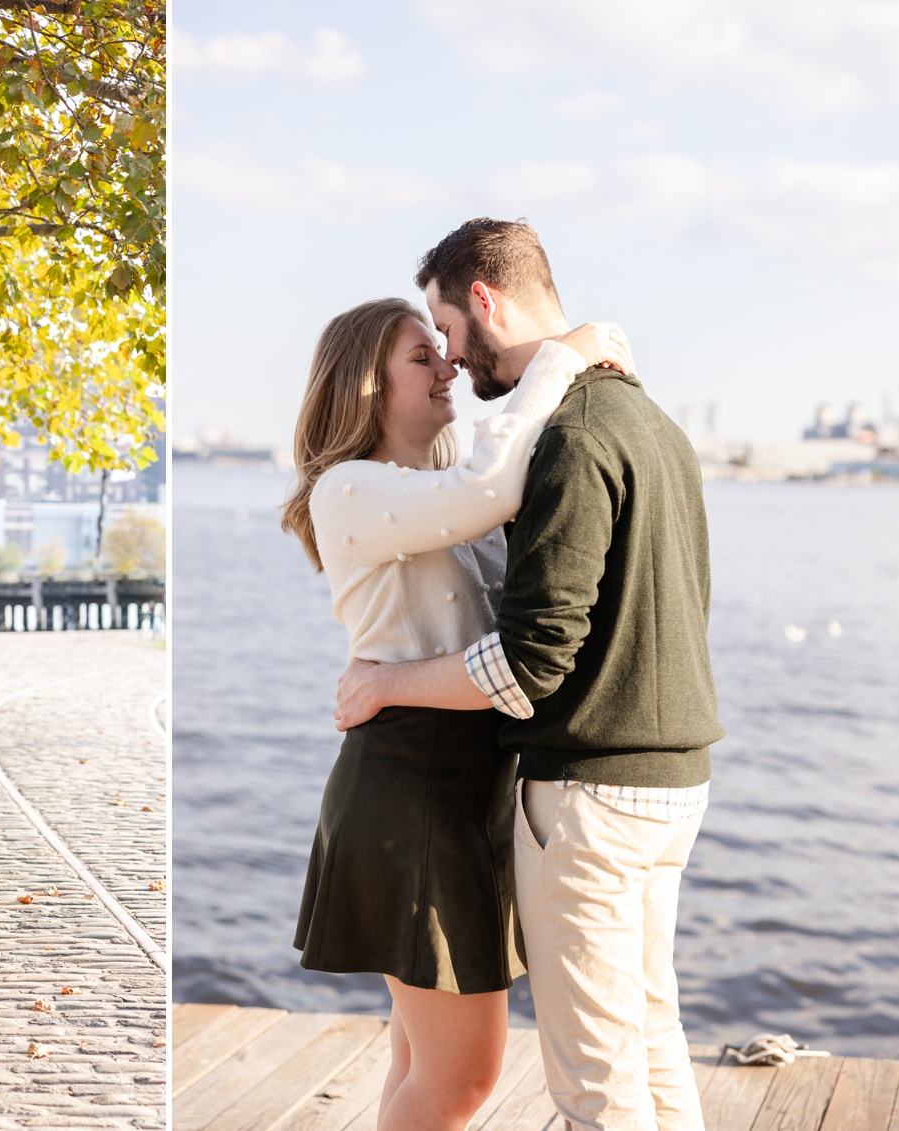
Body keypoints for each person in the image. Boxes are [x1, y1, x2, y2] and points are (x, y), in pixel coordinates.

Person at [334, 218, 724, 1131]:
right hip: (672, 782)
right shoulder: (651, 421)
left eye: (448, 333)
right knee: (652, 1038)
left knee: (597, 1085)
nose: (454, 365)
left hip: (591, 794)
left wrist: (386, 682)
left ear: (482, 300)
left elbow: (528, 661)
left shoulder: (570, 435)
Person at [281, 295, 631, 1131]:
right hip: (411, 784)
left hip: (468, 780)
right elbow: (490, 484)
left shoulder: (431, 488)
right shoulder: (348, 489)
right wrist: (559, 358)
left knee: (421, 1064)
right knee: (463, 1078)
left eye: (441, 350)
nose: (447, 366)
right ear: (366, 384)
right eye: (419, 356)